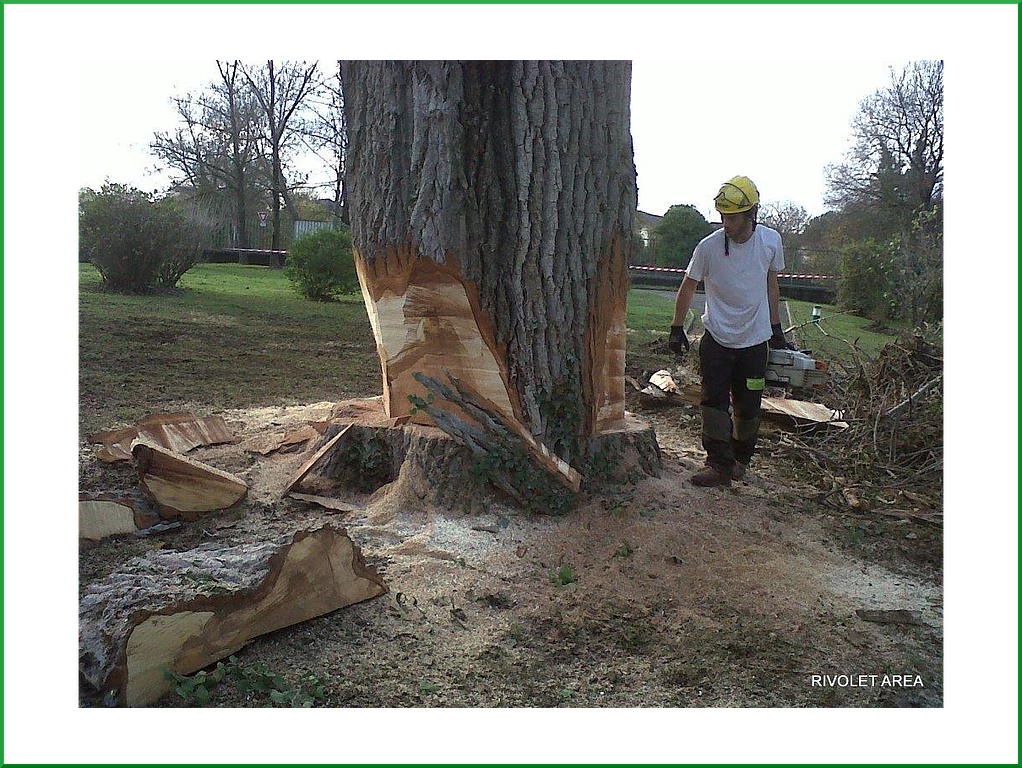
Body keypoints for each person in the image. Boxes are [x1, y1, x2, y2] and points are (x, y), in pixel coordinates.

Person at [668, 176, 793, 487]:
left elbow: (771, 283)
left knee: (748, 405)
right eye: (723, 216)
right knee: (713, 402)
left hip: (754, 343)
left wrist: (775, 327)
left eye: (733, 217)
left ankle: (740, 460)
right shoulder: (708, 247)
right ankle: (718, 464)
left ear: (751, 214)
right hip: (718, 342)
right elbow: (688, 285)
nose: (726, 223)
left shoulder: (770, 242)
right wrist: (676, 327)